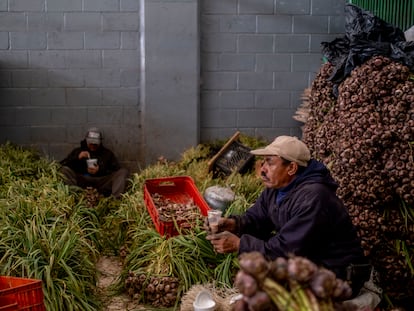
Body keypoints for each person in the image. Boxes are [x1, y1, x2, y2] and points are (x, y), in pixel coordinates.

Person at [205, 135, 372, 298]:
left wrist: (238, 244)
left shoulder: (314, 197)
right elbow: (256, 219)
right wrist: (232, 224)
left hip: (337, 275)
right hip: (310, 263)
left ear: (291, 168)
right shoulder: (275, 189)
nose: (263, 169)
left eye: (270, 163)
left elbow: (285, 250)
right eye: (264, 162)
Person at [60, 127, 129, 199]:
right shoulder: (78, 151)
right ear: (86, 141)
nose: (93, 146)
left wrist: (100, 169)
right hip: (82, 181)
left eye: (95, 144)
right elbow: (62, 164)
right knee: (64, 170)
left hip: (102, 182)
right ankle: (74, 197)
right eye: (90, 143)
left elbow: (116, 169)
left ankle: (115, 200)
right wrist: (77, 157)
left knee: (123, 172)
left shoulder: (107, 153)